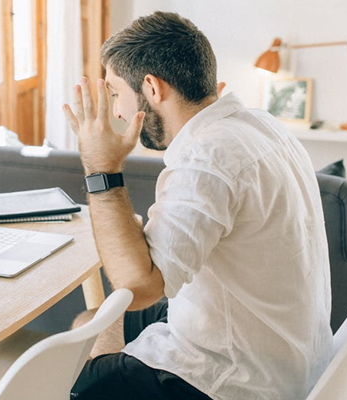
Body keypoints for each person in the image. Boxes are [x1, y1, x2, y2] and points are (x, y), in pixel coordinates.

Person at [63, 11, 333, 400]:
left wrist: (102, 169)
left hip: (236, 380)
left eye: (116, 93)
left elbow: (138, 288)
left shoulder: (206, 158)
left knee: (76, 371)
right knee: (89, 320)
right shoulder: (261, 125)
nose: (118, 112)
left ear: (152, 88)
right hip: (286, 354)